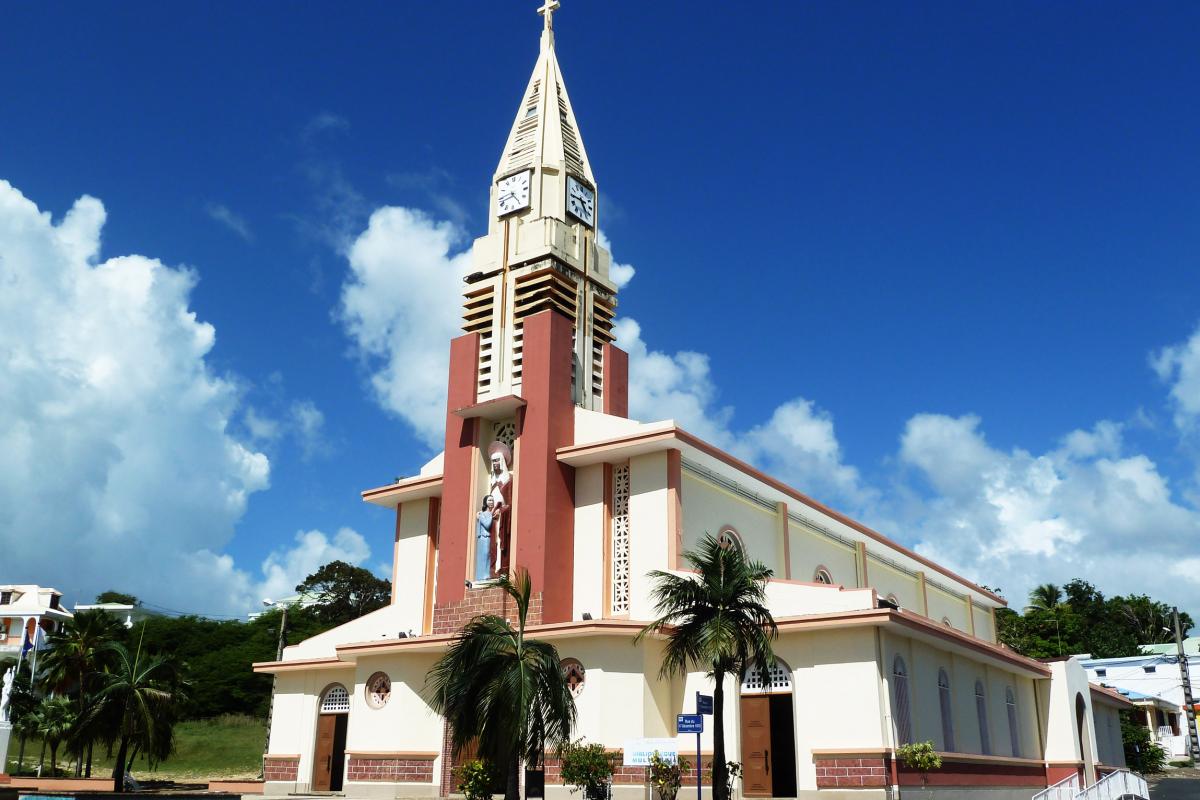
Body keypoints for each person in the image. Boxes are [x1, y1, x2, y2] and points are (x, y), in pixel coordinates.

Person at [475, 495, 495, 582]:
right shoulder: (482, 514)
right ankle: (483, 575)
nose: (491, 502)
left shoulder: (490, 514)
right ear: (485, 502)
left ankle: (488, 574)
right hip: (484, 538)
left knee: (489, 556)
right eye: (489, 500)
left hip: (489, 538)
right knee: (485, 555)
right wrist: (492, 515)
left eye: (492, 500)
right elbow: (487, 525)